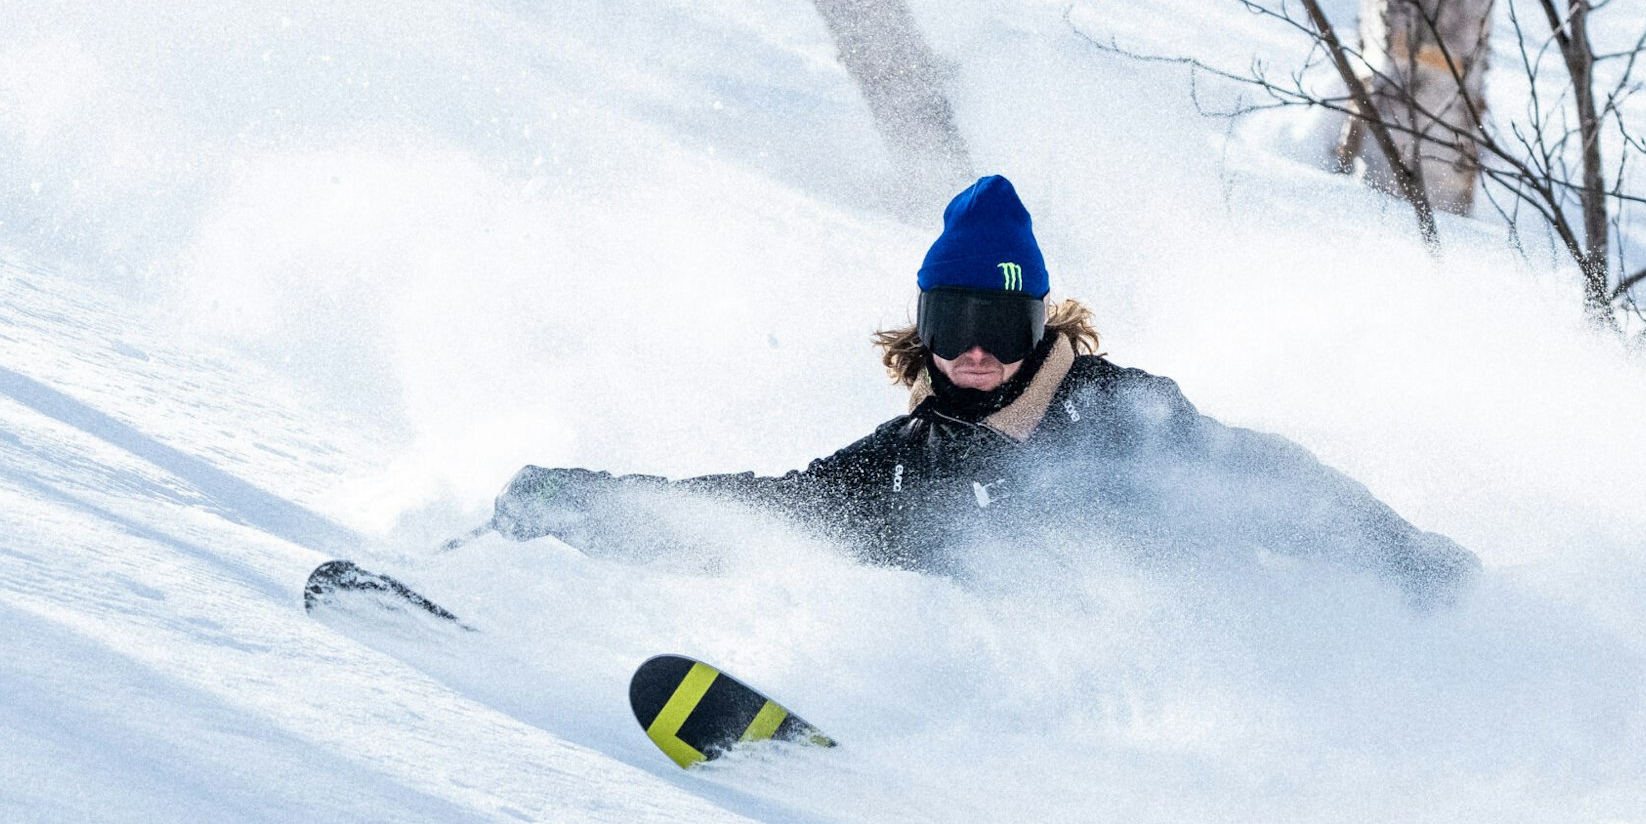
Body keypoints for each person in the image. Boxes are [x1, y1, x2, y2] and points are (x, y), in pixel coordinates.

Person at [492, 175, 1476, 607]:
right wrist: (590, 501)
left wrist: (1419, 571)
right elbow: (771, 512)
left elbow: (1275, 485)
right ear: (920, 334)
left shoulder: (1119, 416)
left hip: (1186, 678)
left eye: (998, 326)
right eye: (951, 324)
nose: (974, 351)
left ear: (1040, 325)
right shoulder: (909, 462)